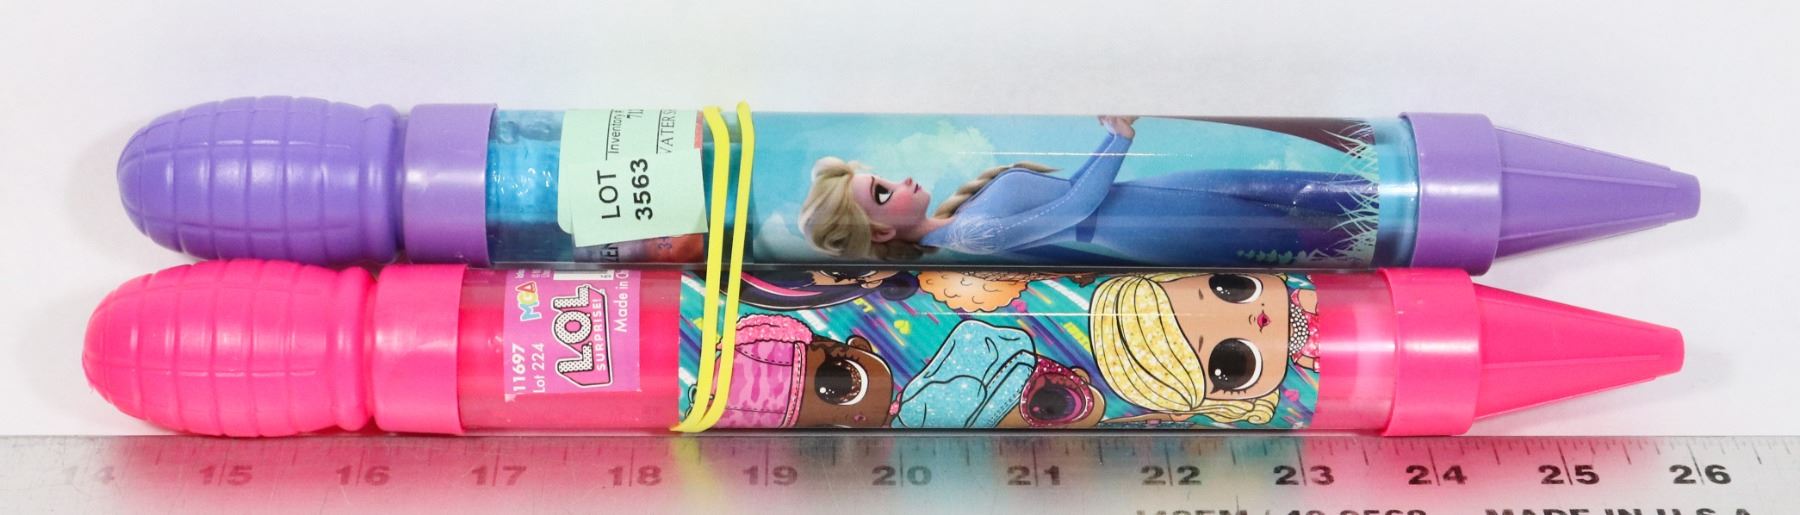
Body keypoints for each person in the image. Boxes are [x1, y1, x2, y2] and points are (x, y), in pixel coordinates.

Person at [798, 116, 1374, 265]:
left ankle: (1386, 196)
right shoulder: (972, 236)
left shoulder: (962, 220)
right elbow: (1075, 205)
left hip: (1150, 196)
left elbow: (1075, 188)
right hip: (1147, 224)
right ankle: (1384, 224)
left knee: (1279, 189)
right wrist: (1118, 137)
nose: (901, 182)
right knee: (1289, 231)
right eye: (882, 194)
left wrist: (1113, 138)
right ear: (880, 231)